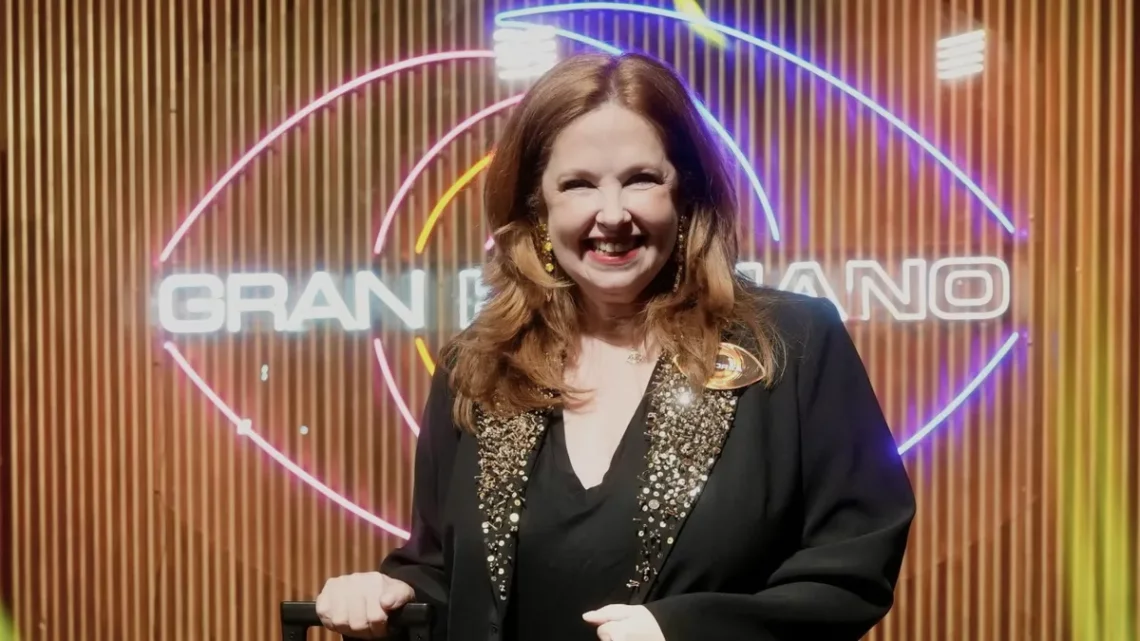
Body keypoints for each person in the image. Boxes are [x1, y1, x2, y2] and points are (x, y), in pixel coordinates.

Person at [315, 52, 916, 641]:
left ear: (686, 194)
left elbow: (850, 571)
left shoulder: (793, 341)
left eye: (641, 180)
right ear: (537, 206)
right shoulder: (476, 364)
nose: (612, 214)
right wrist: (389, 595)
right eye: (578, 185)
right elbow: (446, 576)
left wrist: (685, 630)